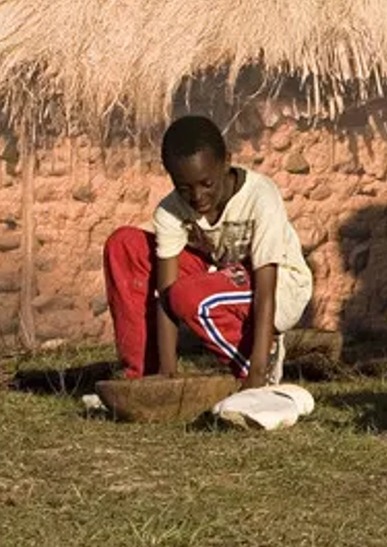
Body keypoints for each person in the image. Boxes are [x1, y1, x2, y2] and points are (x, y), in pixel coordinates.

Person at [101, 115, 313, 385]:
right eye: (184, 187)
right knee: (125, 245)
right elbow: (167, 295)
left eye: (206, 184)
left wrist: (257, 372)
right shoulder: (171, 209)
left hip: (281, 287)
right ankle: (143, 374)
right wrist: (168, 375)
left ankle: (259, 363)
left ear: (226, 161)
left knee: (188, 295)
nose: (197, 196)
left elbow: (265, 288)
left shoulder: (261, 197)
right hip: (223, 279)